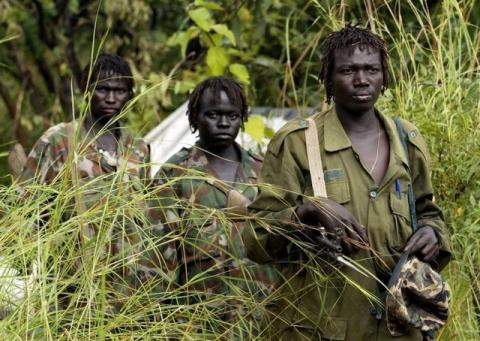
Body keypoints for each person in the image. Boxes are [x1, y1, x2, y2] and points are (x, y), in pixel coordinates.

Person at [242, 25, 451, 340]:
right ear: (328, 78)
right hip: (319, 328)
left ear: (384, 77)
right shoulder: (298, 142)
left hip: (398, 328)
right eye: (348, 70)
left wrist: (432, 233)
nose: (361, 79)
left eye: (371, 69)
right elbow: (255, 237)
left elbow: (427, 210)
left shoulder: (407, 140)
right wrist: (306, 212)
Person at [18, 53, 159, 310]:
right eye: (102, 89)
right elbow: (25, 206)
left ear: (130, 95)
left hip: (126, 291)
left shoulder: (138, 147)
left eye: (120, 90)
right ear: (86, 90)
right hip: (71, 287)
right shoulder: (61, 140)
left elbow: (144, 215)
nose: (111, 97)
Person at [152, 76, 277, 333]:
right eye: (213, 114)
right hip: (199, 322)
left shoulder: (265, 171)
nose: (223, 123)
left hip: (264, 319)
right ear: (195, 117)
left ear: (242, 118)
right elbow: (158, 256)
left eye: (231, 116)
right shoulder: (176, 174)